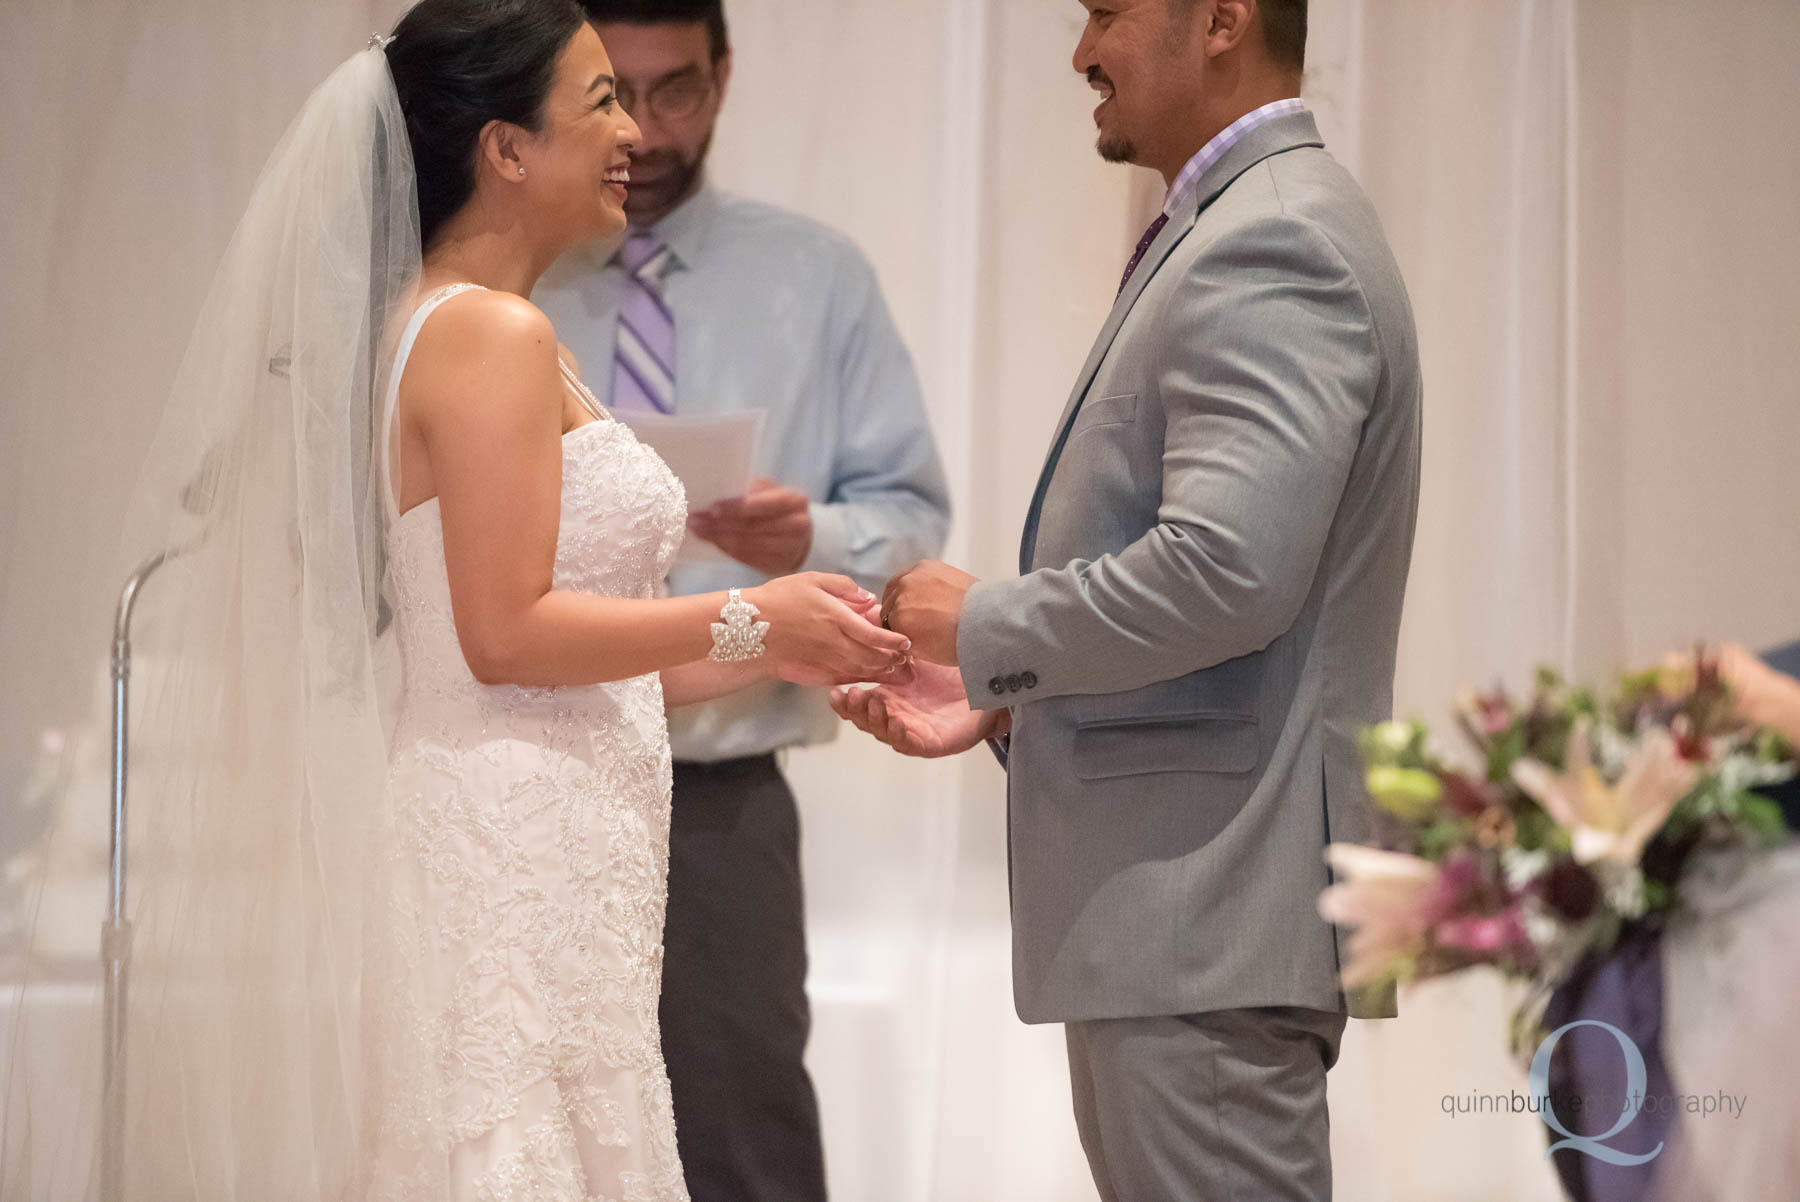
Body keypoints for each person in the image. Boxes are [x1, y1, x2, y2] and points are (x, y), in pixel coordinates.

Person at [0, 3, 912, 1199]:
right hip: (511, 846)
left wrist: (788, 639)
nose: (632, 130)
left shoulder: (473, 327)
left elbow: (552, 643)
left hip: (556, 834)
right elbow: (505, 632)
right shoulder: (488, 332)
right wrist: (747, 616)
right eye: (599, 102)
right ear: (506, 148)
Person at [835, 1, 1421, 1197]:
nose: (1081, 50)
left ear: (1221, 18)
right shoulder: (1232, 224)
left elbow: (1227, 570)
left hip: (1208, 913)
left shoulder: (1274, 240)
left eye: (1108, 10)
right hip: (1188, 920)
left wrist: (988, 623)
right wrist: (1008, 702)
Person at [532, 3, 951, 1198]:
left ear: (725, 80)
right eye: (618, 95)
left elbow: (916, 519)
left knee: (740, 1140)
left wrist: (810, 531)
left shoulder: (816, 276)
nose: (650, 130)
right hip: (532, 774)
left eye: (680, 93)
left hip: (721, 797)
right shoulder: (511, 280)